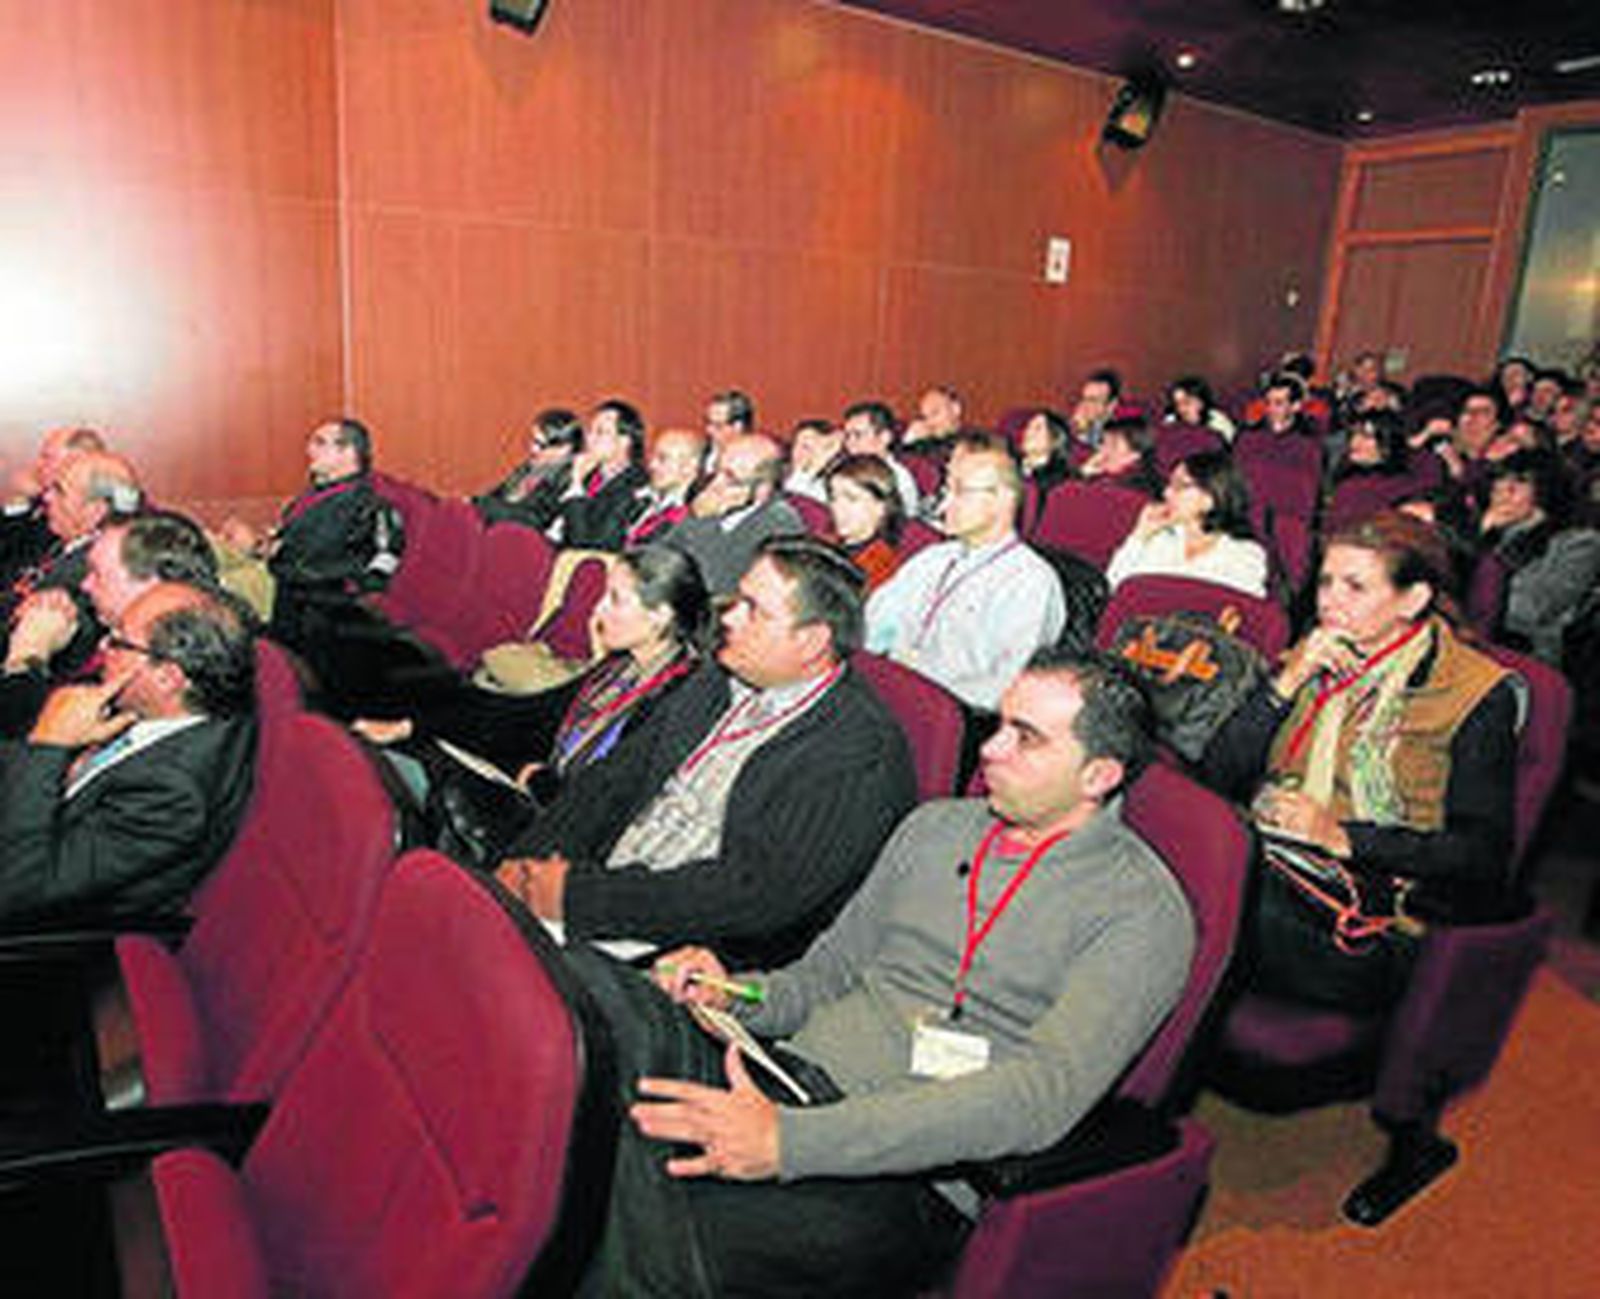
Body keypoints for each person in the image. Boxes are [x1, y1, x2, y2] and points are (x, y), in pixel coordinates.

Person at [562, 649, 1194, 1298]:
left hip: (904, 1176)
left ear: (1099, 774)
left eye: (1025, 738)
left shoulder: (1140, 911)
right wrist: (734, 993)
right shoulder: (934, 828)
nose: (990, 750)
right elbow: (822, 976)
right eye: (999, 724)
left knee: (610, 1200)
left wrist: (790, 1141)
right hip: (778, 1073)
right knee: (584, 991)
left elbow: (1037, 1098)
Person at [494, 536, 917, 969]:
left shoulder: (859, 752)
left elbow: (753, 895)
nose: (729, 616)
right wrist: (527, 863)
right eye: (738, 598)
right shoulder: (720, 676)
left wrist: (577, 897)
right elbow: (611, 781)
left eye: (754, 609)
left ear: (811, 642)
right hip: (593, 894)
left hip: (679, 956)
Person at [1203, 511, 1522, 1013]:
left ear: (1413, 600)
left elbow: (1481, 855)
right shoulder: (1316, 653)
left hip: (1369, 922)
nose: (1329, 600)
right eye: (1326, 581)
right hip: (1276, 862)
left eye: (1355, 586)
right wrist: (1285, 685)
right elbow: (1217, 773)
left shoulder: (1475, 692)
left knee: (1197, 889)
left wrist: (1342, 836)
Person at [354, 546, 709, 860]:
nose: (598, 612)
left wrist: (539, 780)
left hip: (569, 844)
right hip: (542, 797)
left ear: (660, 615)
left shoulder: (678, 697)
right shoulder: (620, 667)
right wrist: (412, 725)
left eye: (615, 600)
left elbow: (611, 805)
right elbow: (529, 715)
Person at [0, 580, 257, 928]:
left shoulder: (174, 792)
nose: (104, 647)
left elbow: (17, 886)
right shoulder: (155, 710)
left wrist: (48, 744)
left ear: (167, 677)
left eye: (118, 641)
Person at [865, 440, 1064, 711]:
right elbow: (872, 630)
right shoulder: (932, 558)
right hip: (887, 696)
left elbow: (1006, 689)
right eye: (946, 491)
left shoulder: (1031, 581)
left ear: (1003, 499)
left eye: (960, 492)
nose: (943, 506)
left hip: (952, 718)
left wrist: (918, 691)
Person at [2, 511, 218, 736]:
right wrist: (48, 609)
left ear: (149, 584)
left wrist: (27, 657)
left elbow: (30, 745)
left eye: (97, 574)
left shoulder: (157, 664)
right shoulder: (101, 622)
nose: (85, 585)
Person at [1477, 450, 1600, 666]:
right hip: (1472, 641)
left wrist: (1483, 552)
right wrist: (1478, 537)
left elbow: (1532, 611)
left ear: (1545, 491)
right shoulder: (1480, 530)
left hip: (1524, 654)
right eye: (1499, 482)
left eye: (1518, 484)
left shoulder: (1578, 543)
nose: (1502, 493)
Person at [1105, 450, 1268, 596]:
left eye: (1179, 486)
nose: (1166, 492)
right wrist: (1140, 534)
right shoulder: (1160, 537)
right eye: (1169, 484)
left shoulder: (1244, 556)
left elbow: (1243, 616)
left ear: (1210, 498)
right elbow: (1113, 587)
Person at [661, 434, 803, 595]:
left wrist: (703, 521)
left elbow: (714, 583)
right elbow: (661, 557)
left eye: (731, 478)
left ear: (762, 490)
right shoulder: (718, 506)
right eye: (716, 471)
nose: (715, 485)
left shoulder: (779, 523)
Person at [551, 399, 649, 551]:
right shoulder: (588, 474)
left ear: (625, 441)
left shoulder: (635, 486)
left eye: (600, 432)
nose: (590, 439)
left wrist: (576, 484)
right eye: (590, 431)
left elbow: (586, 543)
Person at [471, 406, 582, 531]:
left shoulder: (567, 477)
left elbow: (536, 519)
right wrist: (474, 502)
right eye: (533, 441)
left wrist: (483, 505)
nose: (533, 449)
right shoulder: (531, 466)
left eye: (541, 445)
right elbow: (497, 494)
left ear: (564, 449)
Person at [823, 454, 905, 593]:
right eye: (833, 498)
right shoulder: (822, 543)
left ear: (881, 507)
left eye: (851, 499)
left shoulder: (884, 568)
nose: (838, 508)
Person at [625, 427, 705, 547]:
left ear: (688, 467)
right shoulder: (639, 498)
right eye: (652, 457)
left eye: (662, 459)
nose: (652, 465)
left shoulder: (694, 516)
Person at [840, 400, 919, 517]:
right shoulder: (842, 471)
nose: (850, 443)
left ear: (884, 438)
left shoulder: (898, 480)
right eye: (847, 436)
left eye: (858, 435)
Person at [1079, 415, 1162, 496]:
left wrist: (1082, 476)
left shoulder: (1122, 490)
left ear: (1133, 456)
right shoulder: (1105, 478)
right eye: (1102, 442)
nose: (1102, 450)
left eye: (1114, 445)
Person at [781, 418, 844, 504]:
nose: (797, 451)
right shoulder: (779, 477)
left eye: (806, 446)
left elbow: (793, 503)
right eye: (795, 444)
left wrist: (817, 464)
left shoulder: (827, 488)